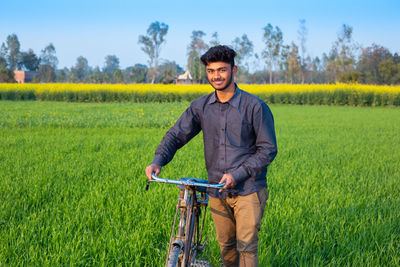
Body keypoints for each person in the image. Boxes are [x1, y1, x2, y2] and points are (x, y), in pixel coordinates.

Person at [145, 45, 277, 267]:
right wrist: (158, 160)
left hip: (249, 190)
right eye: (211, 71)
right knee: (226, 246)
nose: (216, 76)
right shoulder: (201, 107)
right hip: (216, 189)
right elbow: (176, 135)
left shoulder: (255, 107)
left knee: (246, 247)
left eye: (222, 70)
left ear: (234, 70)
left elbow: (267, 149)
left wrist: (237, 174)